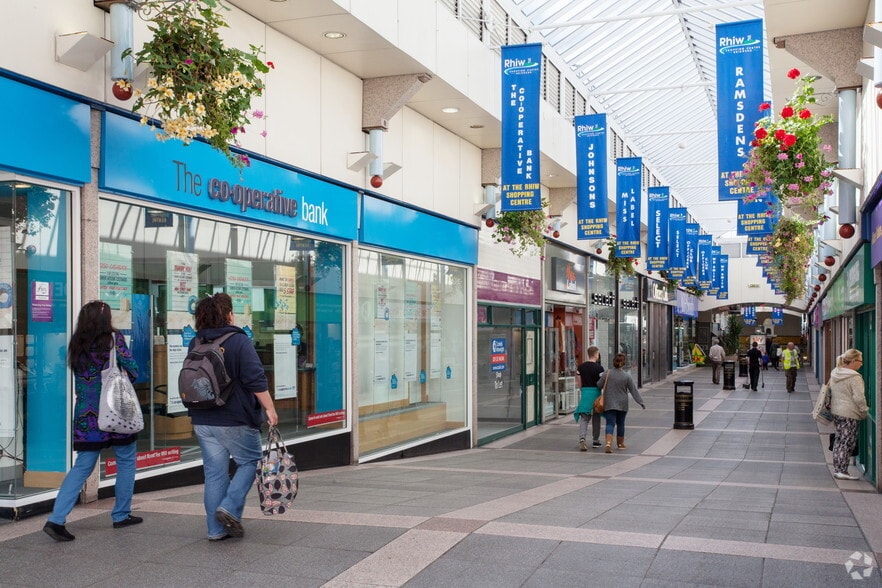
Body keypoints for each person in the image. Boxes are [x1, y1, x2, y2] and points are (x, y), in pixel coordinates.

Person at [43, 301, 142, 542]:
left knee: (82, 467)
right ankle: (120, 515)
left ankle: (56, 519)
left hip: (87, 415)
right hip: (115, 410)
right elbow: (133, 369)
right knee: (126, 461)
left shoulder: (77, 342)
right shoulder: (113, 339)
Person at [189, 293, 278, 542]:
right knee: (250, 461)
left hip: (202, 418)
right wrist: (269, 409)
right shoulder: (239, 340)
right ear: (228, 315)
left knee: (215, 474)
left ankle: (215, 530)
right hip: (235, 418)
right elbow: (255, 379)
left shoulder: (196, 341)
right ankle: (229, 508)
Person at [828, 349, 867, 480]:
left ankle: (838, 468)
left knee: (839, 440)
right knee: (847, 442)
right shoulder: (854, 377)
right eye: (860, 361)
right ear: (853, 361)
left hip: (836, 411)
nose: (861, 364)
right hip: (850, 413)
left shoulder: (835, 372)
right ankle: (842, 471)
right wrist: (864, 410)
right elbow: (859, 398)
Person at [598, 353, 645, 453]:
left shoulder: (607, 373)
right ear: (623, 363)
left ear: (613, 362)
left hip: (609, 403)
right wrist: (640, 402)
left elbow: (599, 385)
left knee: (610, 423)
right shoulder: (626, 376)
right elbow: (633, 390)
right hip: (622, 404)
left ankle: (608, 443)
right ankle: (620, 444)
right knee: (621, 424)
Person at [574, 346, 604, 450]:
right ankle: (595, 440)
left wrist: (583, 389)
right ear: (596, 354)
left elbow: (579, 382)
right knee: (596, 418)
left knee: (584, 418)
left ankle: (582, 439)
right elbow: (601, 383)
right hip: (596, 394)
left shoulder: (581, 367)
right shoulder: (600, 368)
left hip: (585, 393)